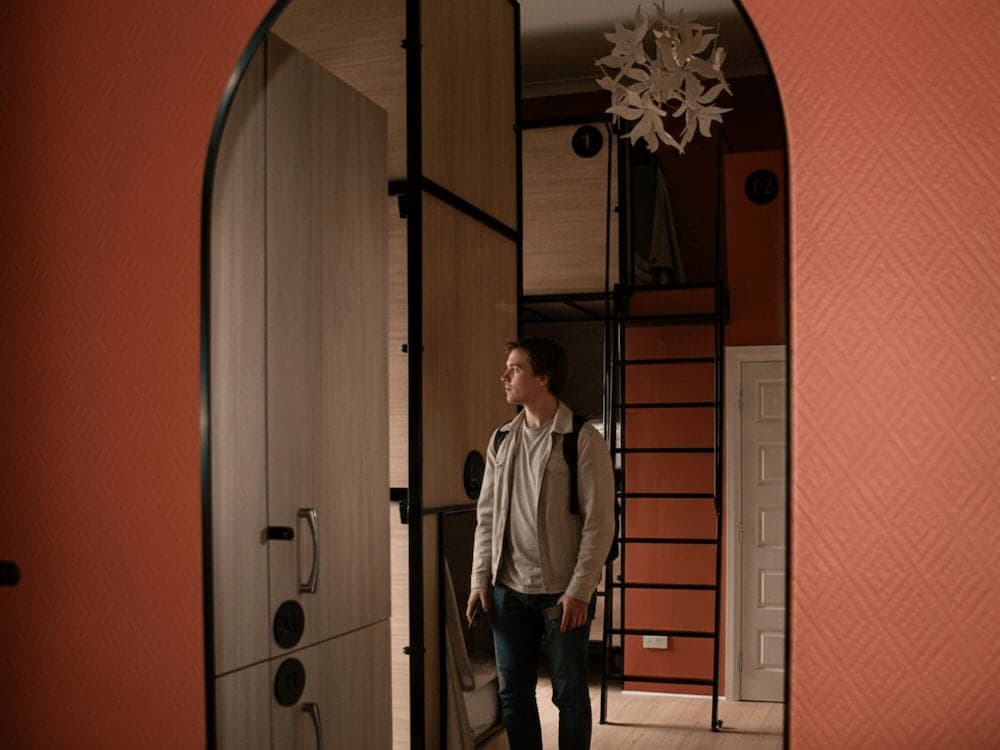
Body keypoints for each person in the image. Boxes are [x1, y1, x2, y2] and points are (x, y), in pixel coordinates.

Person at [467, 337, 615, 750]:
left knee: (569, 694)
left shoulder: (582, 438)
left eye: (515, 368)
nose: (504, 376)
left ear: (543, 378)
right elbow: (486, 517)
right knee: (514, 695)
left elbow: (600, 524)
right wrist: (480, 579)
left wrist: (580, 590)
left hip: (562, 592)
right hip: (507, 590)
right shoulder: (501, 439)